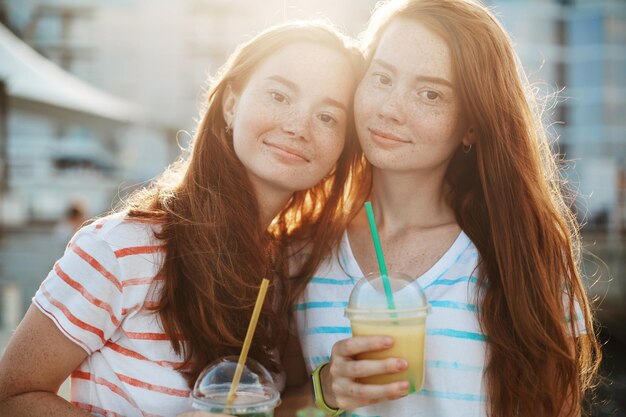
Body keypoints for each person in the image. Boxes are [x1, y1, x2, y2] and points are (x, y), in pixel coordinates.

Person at [0, 20, 363, 417]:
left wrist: (326, 389)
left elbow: (274, 406)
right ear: (230, 104)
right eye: (278, 95)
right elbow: (13, 396)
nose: (298, 126)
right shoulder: (122, 248)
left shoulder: (282, 270)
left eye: (328, 117)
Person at [290, 1, 601, 416]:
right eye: (381, 77)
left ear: (472, 123)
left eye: (430, 93)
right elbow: (269, 400)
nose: (389, 108)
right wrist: (326, 391)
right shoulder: (300, 252)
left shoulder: (521, 253)